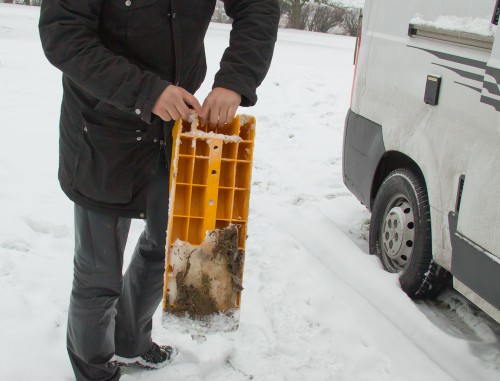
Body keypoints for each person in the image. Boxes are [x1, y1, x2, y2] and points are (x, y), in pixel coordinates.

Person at [38, 1, 279, 380]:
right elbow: (63, 33)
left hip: (175, 128)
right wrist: (145, 91)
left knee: (168, 244)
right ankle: (94, 372)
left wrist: (235, 79)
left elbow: (257, 5)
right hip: (102, 127)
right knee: (99, 274)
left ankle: (130, 341)